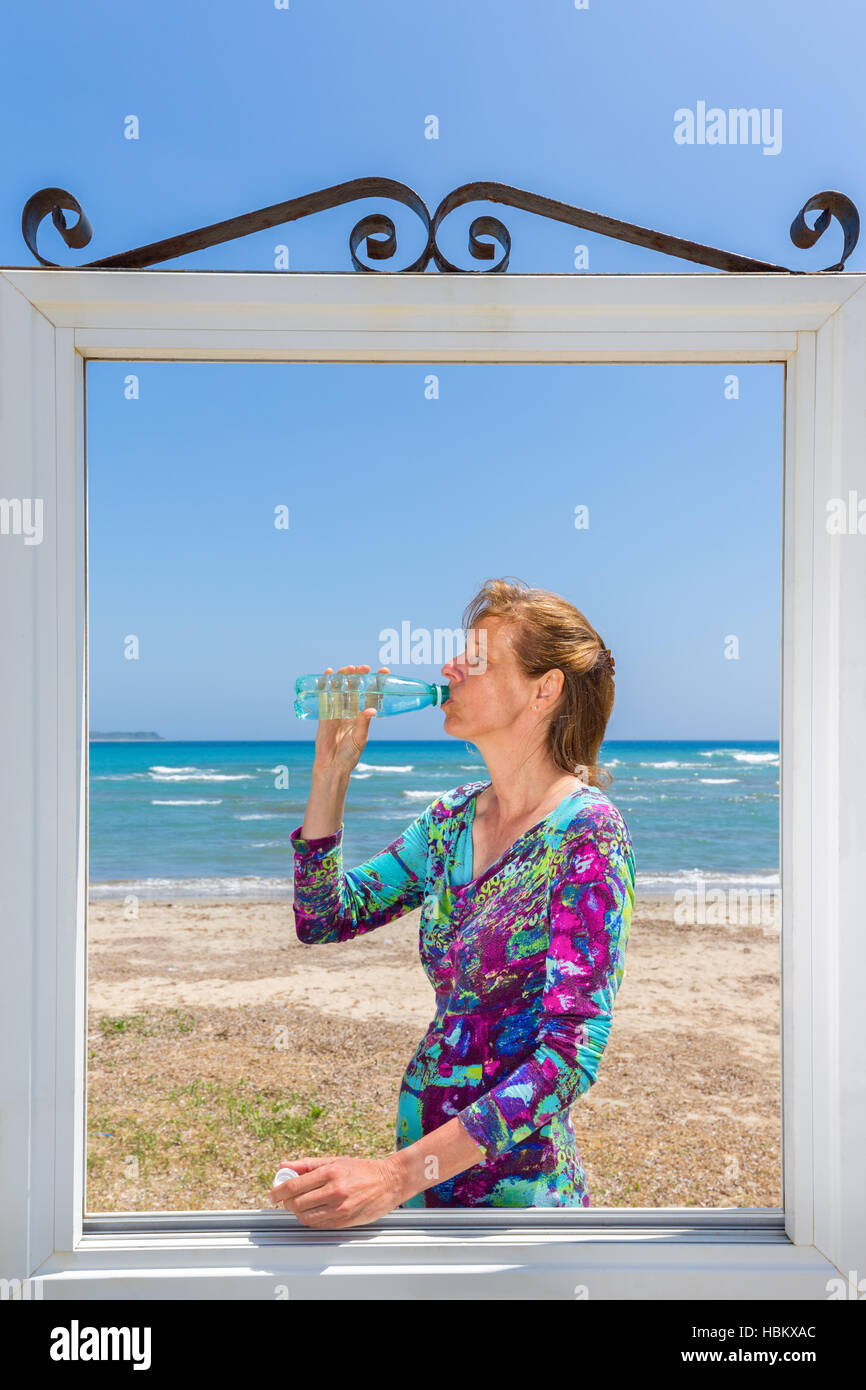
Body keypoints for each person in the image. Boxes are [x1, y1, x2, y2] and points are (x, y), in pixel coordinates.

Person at [269, 577, 635, 1226]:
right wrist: (331, 773)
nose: (447, 669)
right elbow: (322, 917)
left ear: (543, 690)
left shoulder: (585, 832)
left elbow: (569, 1057)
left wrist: (391, 1175)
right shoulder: (450, 821)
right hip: (424, 1188)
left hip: (518, 1206)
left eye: (476, 659)